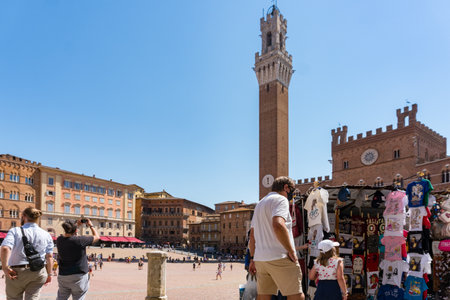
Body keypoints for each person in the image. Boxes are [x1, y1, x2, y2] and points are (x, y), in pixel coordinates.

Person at [249, 176, 304, 300]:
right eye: (292, 190)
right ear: (286, 187)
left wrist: (252, 259)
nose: (292, 194)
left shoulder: (259, 204)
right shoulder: (281, 200)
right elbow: (278, 225)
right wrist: (291, 250)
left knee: (263, 296)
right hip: (280, 256)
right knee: (296, 295)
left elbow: (252, 236)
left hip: (261, 259)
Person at [1, 207, 54, 300]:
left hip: (17, 272)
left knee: (13, 298)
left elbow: (5, 248)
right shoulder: (46, 234)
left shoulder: (15, 231)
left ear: (24, 216)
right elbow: (49, 256)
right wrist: (49, 274)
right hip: (38, 271)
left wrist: (5, 268)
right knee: (33, 298)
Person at [56, 219, 100, 300]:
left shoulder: (59, 240)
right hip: (79, 276)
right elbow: (97, 237)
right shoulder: (80, 240)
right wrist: (91, 225)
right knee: (78, 298)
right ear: (76, 230)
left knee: (61, 298)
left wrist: (76, 225)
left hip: (63, 275)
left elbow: (67, 234)